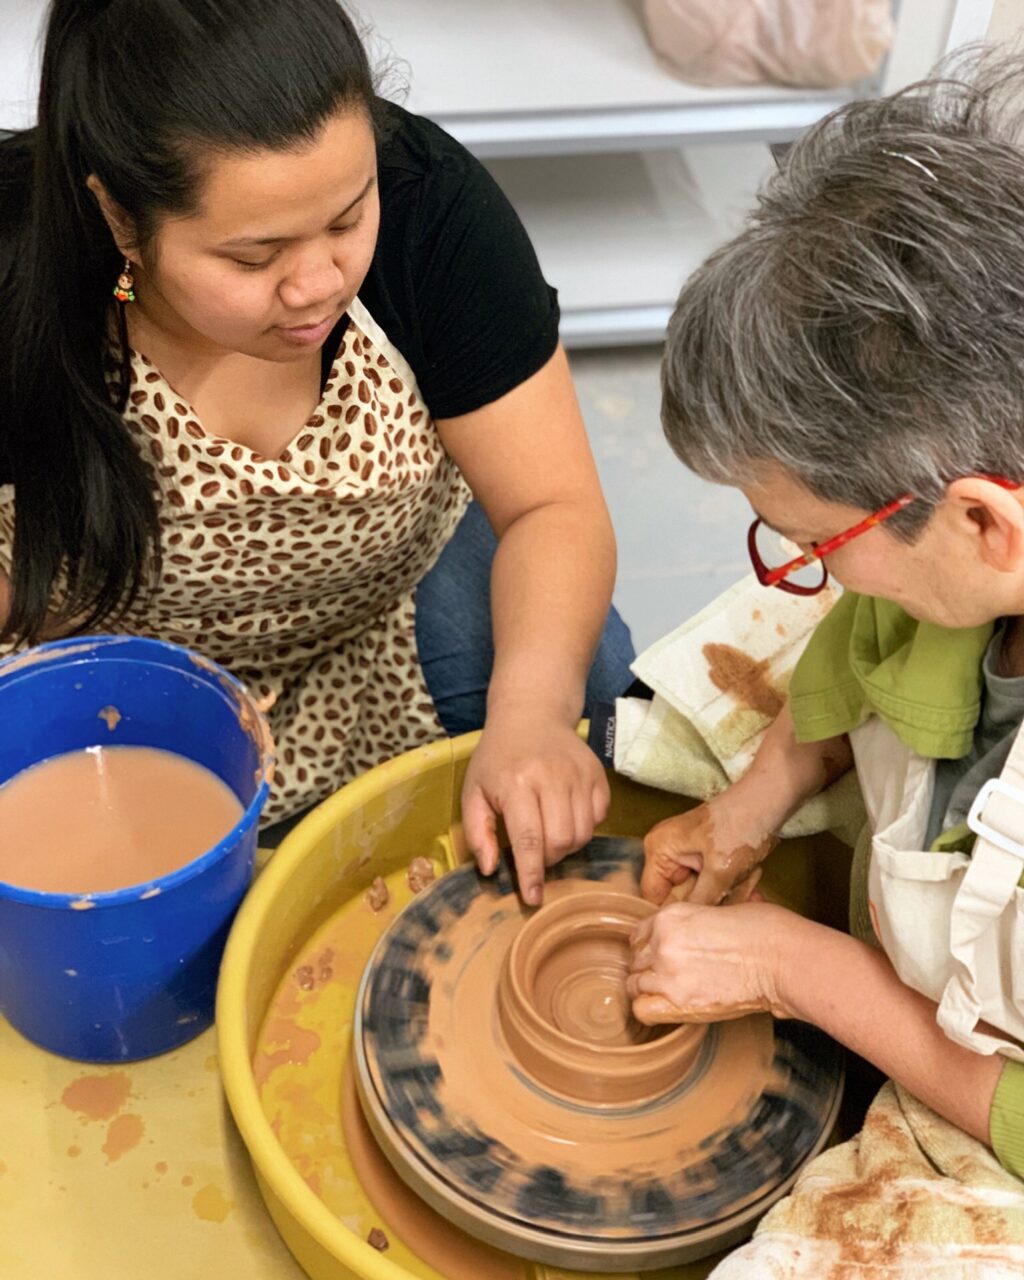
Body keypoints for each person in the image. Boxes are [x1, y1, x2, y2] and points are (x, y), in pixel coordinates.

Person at [0, 0, 634, 897]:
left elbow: (551, 506)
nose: (318, 284)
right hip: (122, 656)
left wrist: (530, 718)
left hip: (377, 621)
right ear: (120, 217)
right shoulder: (20, 266)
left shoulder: (429, 206)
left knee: (585, 679)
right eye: (253, 258)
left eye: (345, 219)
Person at [628, 52, 1024, 1275]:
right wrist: (754, 802)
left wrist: (805, 972)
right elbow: (863, 635)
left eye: (808, 541)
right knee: (698, 690)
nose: (800, 568)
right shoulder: (975, 532)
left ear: (981, 522)